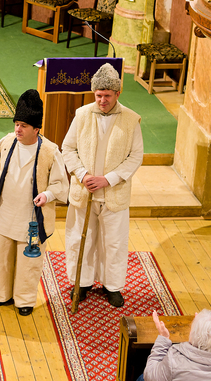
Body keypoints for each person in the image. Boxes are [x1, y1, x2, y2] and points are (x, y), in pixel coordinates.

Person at [0, 90, 69, 316]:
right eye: (17, 124)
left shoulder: (50, 151)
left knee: (29, 264)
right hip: (4, 214)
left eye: (24, 126)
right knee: (2, 258)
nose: (18, 129)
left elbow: (60, 184)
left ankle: (24, 300)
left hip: (31, 219)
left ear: (36, 129)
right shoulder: (6, 143)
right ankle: (1, 295)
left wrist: (47, 195)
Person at [62, 63, 143, 308]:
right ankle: (82, 282)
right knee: (80, 240)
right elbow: (68, 148)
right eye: (98, 95)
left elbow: (136, 156)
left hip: (114, 194)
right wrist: (82, 174)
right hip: (84, 191)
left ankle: (112, 286)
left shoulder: (131, 119)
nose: (102, 101)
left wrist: (108, 179)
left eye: (107, 96)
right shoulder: (82, 115)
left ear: (118, 93)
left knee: (114, 243)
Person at [141, 310, 211, 381]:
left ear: (194, 334)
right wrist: (201, 325)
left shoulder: (175, 359)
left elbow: (149, 375)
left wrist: (163, 339)